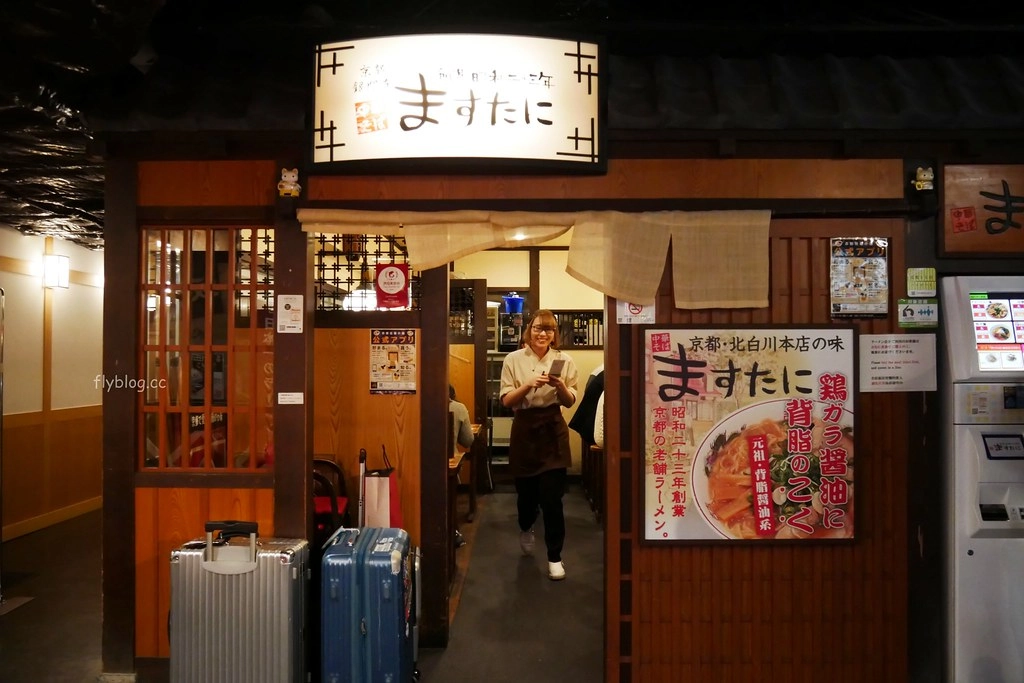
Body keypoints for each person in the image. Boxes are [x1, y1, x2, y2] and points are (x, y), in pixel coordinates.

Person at [499, 309, 579, 580]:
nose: (543, 333)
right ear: (528, 331)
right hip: (524, 428)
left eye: (549, 329)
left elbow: (569, 401)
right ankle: (525, 526)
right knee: (527, 496)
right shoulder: (513, 359)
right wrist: (528, 385)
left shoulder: (564, 360)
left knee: (553, 499)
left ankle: (555, 556)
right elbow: (507, 401)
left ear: (555, 334)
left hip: (552, 429)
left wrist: (559, 386)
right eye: (537, 328)